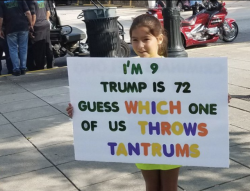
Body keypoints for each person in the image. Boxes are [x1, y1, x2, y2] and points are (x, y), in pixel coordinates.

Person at [66, 14, 231, 191]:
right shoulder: (124, 72)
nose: (140, 45)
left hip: (171, 138)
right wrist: (81, 108)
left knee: (169, 187)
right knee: (151, 186)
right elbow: (109, 101)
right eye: (135, 40)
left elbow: (193, 95)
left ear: (159, 39)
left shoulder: (176, 70)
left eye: (146, 39)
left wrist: (216, 97)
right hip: (141, 139)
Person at [0, 0, 33, 76]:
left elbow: (1, 18)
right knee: (23, 48)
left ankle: (16, 69)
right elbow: (28, 12)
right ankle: (23, 68)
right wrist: (30, 24)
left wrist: (0, 29)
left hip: (10, 28)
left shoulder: (2, 2)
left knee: (13, 49)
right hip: (23, 26)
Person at [27, 0, 54, 71]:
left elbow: (34, 15)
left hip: (38, 26)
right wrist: (45, 21)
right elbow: (48, 12)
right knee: (48, 44)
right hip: (46, 24)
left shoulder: (32, 2)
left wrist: (31, 26)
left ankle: (40, 66)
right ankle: (50, 64)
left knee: (39, 48)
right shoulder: (44, 1)